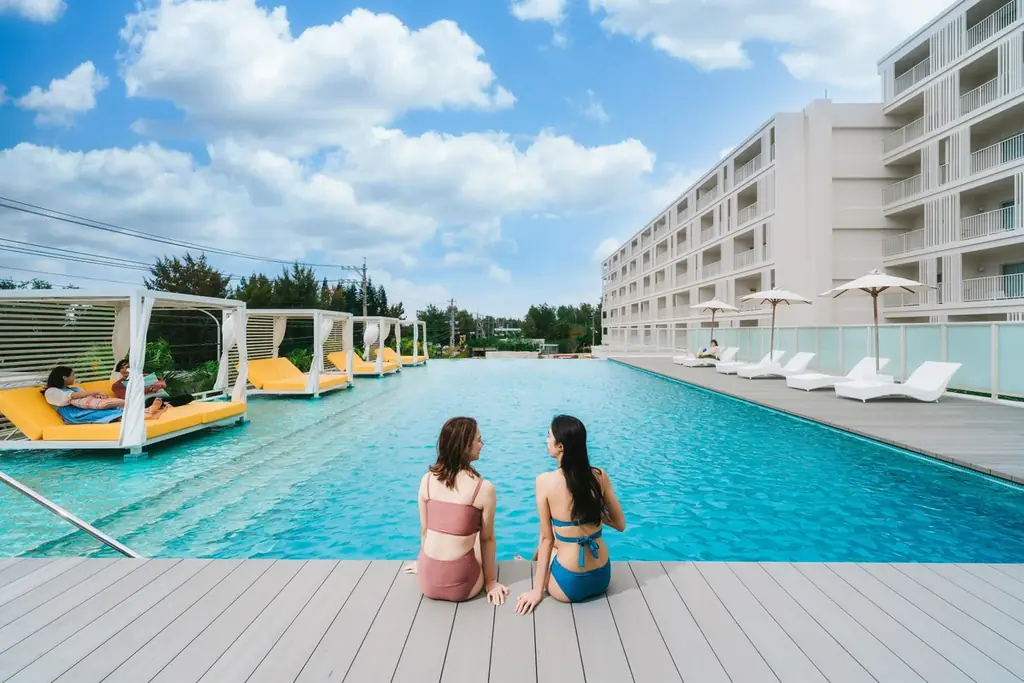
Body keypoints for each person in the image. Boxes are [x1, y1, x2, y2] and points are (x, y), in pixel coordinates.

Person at [515, 415, 625, 614]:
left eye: (549, 436)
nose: (546, 440)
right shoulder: (599, 476)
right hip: (602, 578)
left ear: (560, 446)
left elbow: (546, 539)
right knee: (562, 535)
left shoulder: (544, 481)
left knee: (548, 538)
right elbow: (620, 524)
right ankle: (532, 562)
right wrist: (594, 512)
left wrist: (536, 591)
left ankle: (530, 566)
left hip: (569, 585)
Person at [405, 417, 508, 605]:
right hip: (462, 587)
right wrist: (491, 582)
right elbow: (487, 540)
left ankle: (429, 566)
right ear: (465, 446)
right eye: (479, 439)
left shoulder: (426, 480)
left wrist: (425, 563)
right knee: (477, 537)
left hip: (427, 581)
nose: (482, 444)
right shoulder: (483, 488)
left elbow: (425, 531)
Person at [42, 366, 167, 424]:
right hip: (75, 414)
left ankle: (148, 412)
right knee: (111, 414)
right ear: (64, 377)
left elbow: (85, 398)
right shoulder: (51, 391)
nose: (74, 377)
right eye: (73, 375)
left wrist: (98, 397)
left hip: (88, 407)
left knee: (115, 410)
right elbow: (70, 397)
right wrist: (95, 392)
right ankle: (148, 415)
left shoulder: (75, 388)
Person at [111, 359, 193, 407]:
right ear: (119, 370)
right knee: (151, 400)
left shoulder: (144, 376)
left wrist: (158, 385)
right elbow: (127, 396)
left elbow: (163, 383)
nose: (125, 370)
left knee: (188, 397)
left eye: (128, 367)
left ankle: (166, 404)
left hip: (160, 398)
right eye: (122, 368)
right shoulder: (117, 385)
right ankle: (165, 404)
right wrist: (149, 388)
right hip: (143, 403)